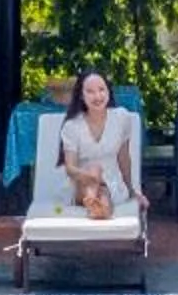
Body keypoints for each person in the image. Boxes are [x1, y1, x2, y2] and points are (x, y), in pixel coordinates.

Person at [58, 70, 136, 221]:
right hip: (80, 184)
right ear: (82, 95)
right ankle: (94, 200)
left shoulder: (121, 118)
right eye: (90, 91)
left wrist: (132, 189)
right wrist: (92, 177)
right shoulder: (72, 126)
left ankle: (98, 206)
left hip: (112, 182)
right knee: (94, 171)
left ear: (108, 92)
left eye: (101, 90)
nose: (97, 96)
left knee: (104, 190)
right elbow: (70, 168)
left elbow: (124, 158)